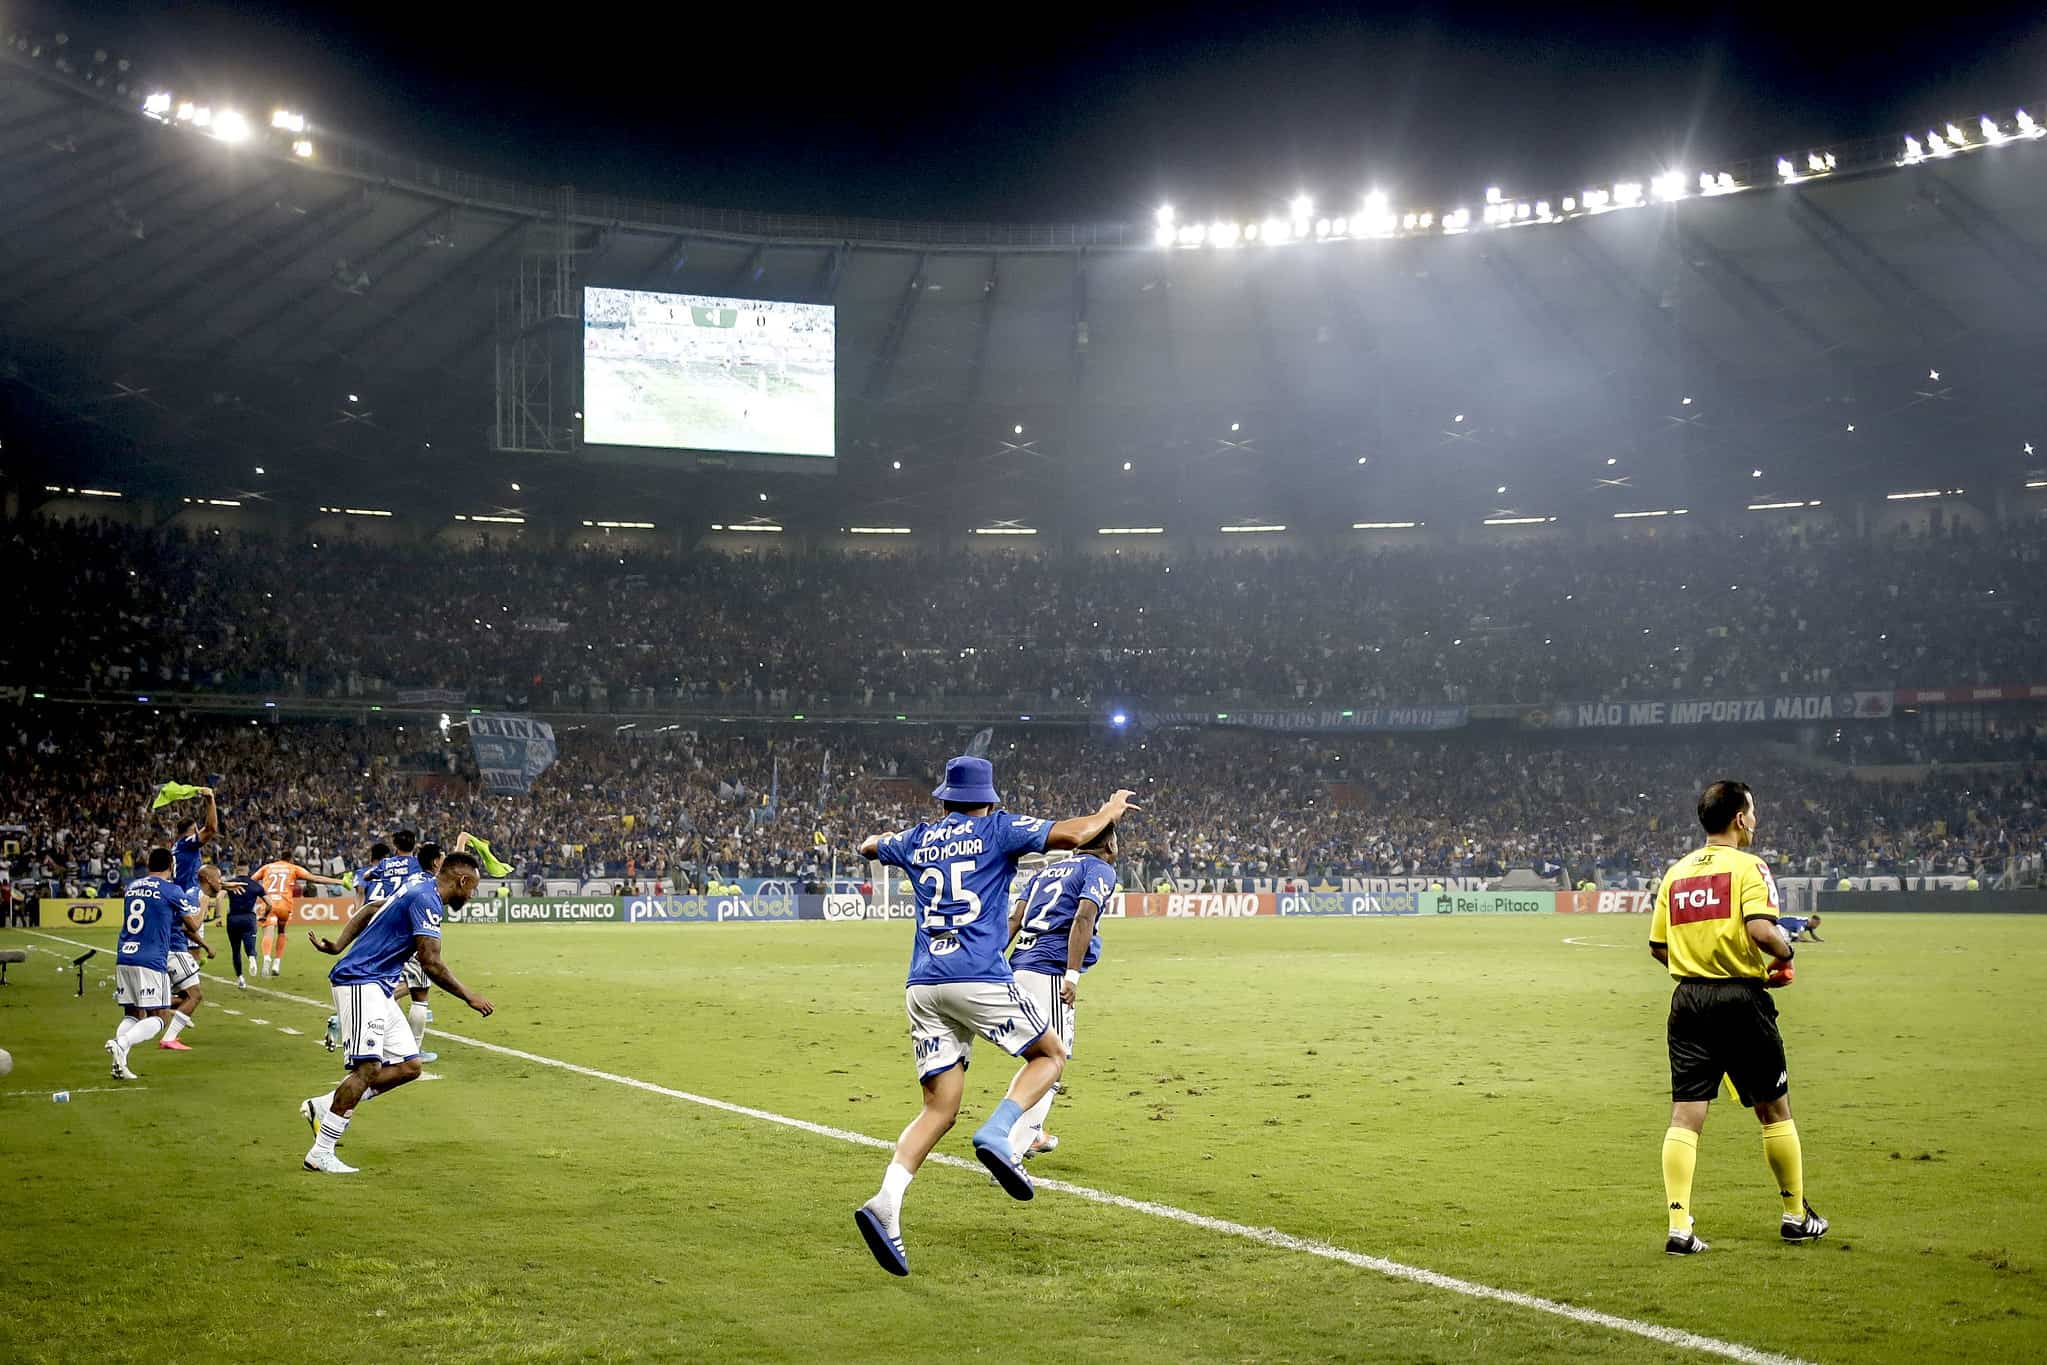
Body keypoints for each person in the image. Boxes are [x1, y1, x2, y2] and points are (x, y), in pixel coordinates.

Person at [850, 754, 1137, 1277]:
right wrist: (1109, 809)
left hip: (922, 984)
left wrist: (879, 842)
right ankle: (1001, 1133)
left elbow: (871, 845)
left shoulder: (916, 838)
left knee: (939, 1109)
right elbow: (1075, 836)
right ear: (989, 798)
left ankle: (887, 1202)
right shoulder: (998, 830)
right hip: (977, 975)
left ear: (943, 798)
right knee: (1049, 1055)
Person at [1650, 779, 1828, 1255]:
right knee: (1774, 1109)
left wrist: (1699, 966)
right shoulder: (1750, 867)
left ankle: (1679, 1227)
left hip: (1687, 1001)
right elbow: (1761, 930)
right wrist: (1785, 953)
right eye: (1753, 812)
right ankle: (1795, 1216)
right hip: (1740, 1001)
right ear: (1739, 818)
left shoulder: (1677, 873)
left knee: (1685, 1116)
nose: (1756, 820)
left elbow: (1658, 947)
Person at [298, 850, 495, 1174]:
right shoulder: (427, 899)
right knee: (368, 1070)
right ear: (461, 880)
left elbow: (374, 908)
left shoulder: (419, 885)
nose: (472, 895)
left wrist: (338, 944)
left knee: (409, 1066)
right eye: (472, 888)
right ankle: (320, 1152)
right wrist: (467, 996)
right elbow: (430, 961)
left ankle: (324, 1105)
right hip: (360, 981)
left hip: (379, 987)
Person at [1002, 822, 1120, 1163]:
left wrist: (995, 962)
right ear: (1109, 844)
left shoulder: (1046, 871)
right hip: (1050, 971)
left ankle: (1034, 1132)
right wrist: (1071, 976)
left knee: (1038, 1058)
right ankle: (1010, 1152)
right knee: (1052, 1061)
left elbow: (1015, 918)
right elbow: (1083, 918)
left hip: (1019, 965)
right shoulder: (1099, 869)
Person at [104, 848, 190, 1080]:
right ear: (170, 866)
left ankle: (119, 1063)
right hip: (151, 960)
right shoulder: (171, 889)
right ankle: (121, 1044)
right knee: (161, 1017)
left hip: (125, 955)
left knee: (132, 1013)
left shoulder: (132, 887)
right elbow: (191, 921)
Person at [254, 854, 350, 977]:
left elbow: (251, 881)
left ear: (279, 859)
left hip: (269, 903)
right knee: (282, 932)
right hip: (284, 904)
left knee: (268, 933)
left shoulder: (267, 867)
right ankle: (277, 963)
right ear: (291, 859)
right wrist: (340, 881)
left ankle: (267, 958)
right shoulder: (293, 868)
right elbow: (315, 878)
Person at [159, 867, 217, 1050]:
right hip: (176, 950)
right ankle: (169, 1038)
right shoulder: (196, 895)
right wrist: (205, 903)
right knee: (195, 995)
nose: (220, 881)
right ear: (208, 879)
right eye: (218, 877)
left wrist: (206, 945)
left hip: (169, 949)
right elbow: (191, 926)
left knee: (185, 995)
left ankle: (161, 1007)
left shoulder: (192, 892)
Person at [203, 863, 270, 988]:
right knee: (250, 943)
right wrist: (265, 915)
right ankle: (251, 958)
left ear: (236, 870)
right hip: (249, 918)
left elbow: (218, 898)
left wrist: (218, 916)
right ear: (248, 870)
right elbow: (270, 903)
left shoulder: (230, 883)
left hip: (233, 918)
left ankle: (240, 979)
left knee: (236, 950)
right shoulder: (255, 885)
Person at [169, 788, 218, 895]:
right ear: (191, 831)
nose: (198, 832)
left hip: (179, 892)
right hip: (188, 894)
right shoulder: (187, 843)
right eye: (196, 829)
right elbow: (211, 829)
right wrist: (210, 800)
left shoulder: (178, 846)